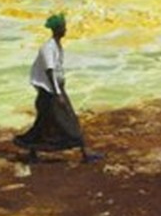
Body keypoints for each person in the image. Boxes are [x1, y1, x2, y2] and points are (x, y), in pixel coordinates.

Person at [14, 13, 101, 162]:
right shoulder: (48, 48)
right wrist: (58, 93)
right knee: (69, 120)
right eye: (63, 27)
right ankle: (85, 153)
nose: (65, 29)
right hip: (50, 91)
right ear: (58, 29)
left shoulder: (56, 45)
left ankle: (32, 153)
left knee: (44, 123)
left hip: (51, 90)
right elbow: (50, 70)